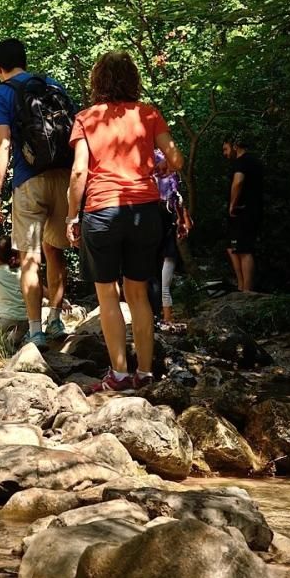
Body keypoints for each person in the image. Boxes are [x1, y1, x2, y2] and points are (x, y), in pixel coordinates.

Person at [66, 51, 184, 392]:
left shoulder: (87, 118)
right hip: (144, 212)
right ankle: (145, 372)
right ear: (133, 79)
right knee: (138, 294)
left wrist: (72, 215)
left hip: (102, 211)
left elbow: (78, 172)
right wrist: (161, 168)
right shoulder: (148, 114)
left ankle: (118, 375)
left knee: (107, 295)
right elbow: (175, 157)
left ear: (97, 81)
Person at [0, 38, 72, 348]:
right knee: (55, 251)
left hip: (29, 180)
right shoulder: (53, 86)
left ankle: (35, 330)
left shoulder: (2, 93)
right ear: (24, 60)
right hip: (64, 177)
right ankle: (56, 320)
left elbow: (3, 143)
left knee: (29, 259)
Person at [151, 151, 192, 330]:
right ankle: (164, 319)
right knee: (158, 281)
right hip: (164, 240)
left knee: (160, 281)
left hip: (165, 241)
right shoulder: (170, 196)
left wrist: (183, 219)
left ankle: (165, 319)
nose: (163, 170)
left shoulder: (169, 196)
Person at [223, 135, 264, 292]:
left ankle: (247, 289)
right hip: (246, 211)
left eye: (226, 149)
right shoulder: (252, 161)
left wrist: (233, 204)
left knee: (244, 249)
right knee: (232, 247)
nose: (225, 153)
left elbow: (238, 181)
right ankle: (241, 286)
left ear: (235, 146)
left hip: (244, 210)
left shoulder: (243, 162)